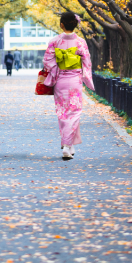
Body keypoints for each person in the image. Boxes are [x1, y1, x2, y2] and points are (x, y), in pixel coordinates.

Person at [42, 12, 95, 160]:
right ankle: (66, 145)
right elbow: (87, 62)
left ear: (61, 24)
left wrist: (58, 70)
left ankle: (70, 146)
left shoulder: (54, 41)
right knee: (75, 112)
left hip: (60, 80)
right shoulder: (80, 42)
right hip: (75, 81)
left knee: (63, 113)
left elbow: (47, 61)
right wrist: (86, 77)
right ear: (76, 24)